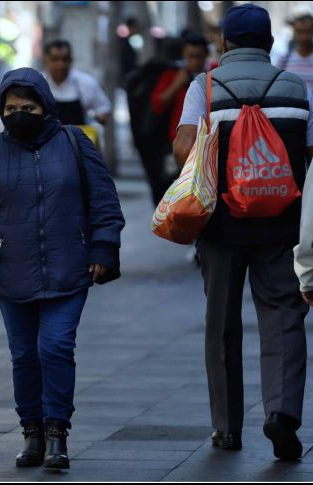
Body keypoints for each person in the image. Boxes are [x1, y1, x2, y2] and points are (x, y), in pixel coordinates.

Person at [0, 67, 125, 470]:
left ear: (45, 106)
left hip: (69, 268)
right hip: (13, 273)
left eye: (28, 106)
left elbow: (104, 201)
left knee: (56, 347)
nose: (19, 114)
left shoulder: (75, 142)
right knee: (24, 355)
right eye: (11, 108)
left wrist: (103, 249)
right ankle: (32, 432)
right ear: (1, 110)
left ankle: (57, 433)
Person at [173, 4, 313, 460]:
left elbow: (183, 150)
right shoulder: (297, 87)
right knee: (283, 319)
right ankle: (281, 413)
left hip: (220, 226)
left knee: (222, 323)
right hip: (283, 226)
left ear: (224, 43)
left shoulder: (204, 87)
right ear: (270, 42)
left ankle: (227, 428)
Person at [145, 32, 210, 204]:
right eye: (190, 56)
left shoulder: (213, 74)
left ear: (206, 55)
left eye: (199, 57)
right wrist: (177, 83)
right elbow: (158, 104)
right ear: (183, 55)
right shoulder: (173, 75)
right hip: (178, 147)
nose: (195, 61)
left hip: (207, 147)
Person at [40, 39, 112, 126]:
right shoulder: (38, 83)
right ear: (46, 61)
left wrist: (99, 118)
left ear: (71, 60)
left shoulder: (87, 83)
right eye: (55, 59)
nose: (60, 65)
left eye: (65, 59)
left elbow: (103, 109)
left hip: (77, 138)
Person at [278, 11, 313, 91]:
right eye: (299, 31)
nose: (304, 36)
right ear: (294, 31)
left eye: (307, 31)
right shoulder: (284, 60)